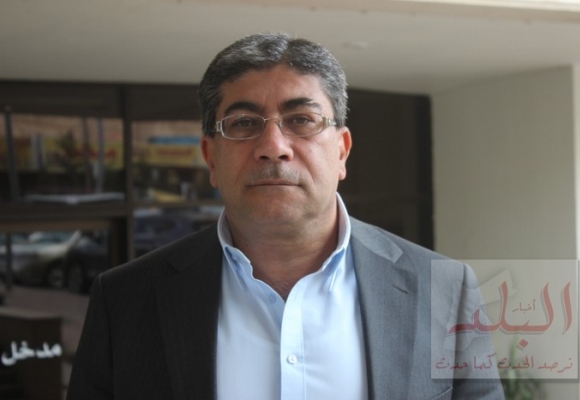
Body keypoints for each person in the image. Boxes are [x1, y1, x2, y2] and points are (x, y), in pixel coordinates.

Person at [67, 33, 504, 400]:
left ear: (342, 151)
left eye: (301, 119)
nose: (273, 146)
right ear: (211, 157)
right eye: (243, 123)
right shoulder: (125, 300)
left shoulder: (443, 288)